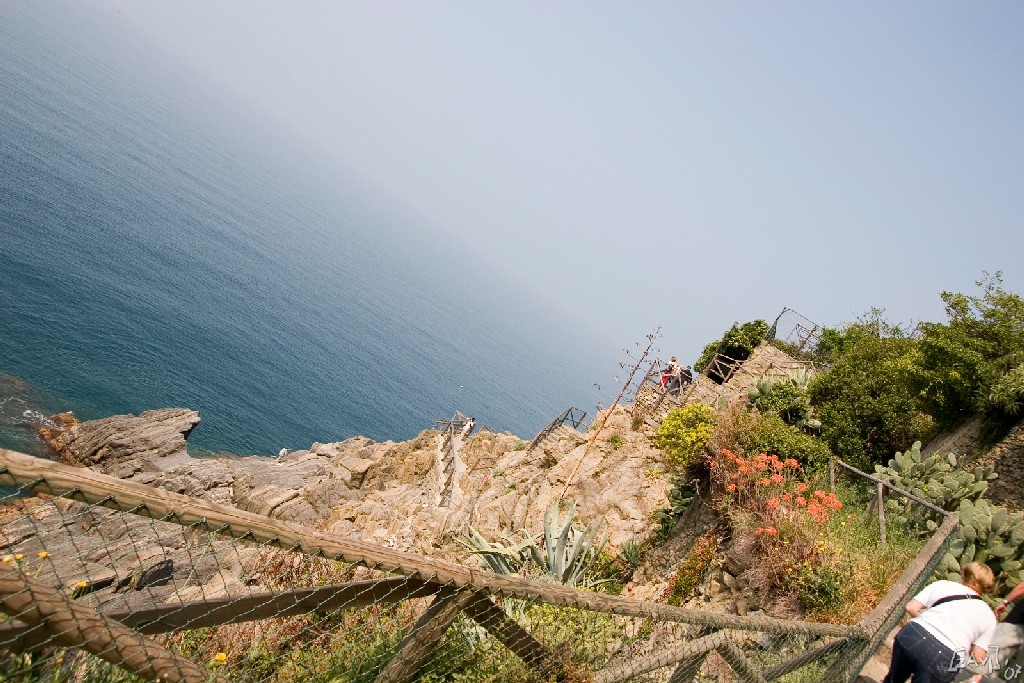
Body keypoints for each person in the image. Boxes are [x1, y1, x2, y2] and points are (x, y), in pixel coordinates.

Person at [883, 562, 997, 683]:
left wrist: (926, 621)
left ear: (963, 574)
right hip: (945, 656)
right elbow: (978, 656)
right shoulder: (989, 617)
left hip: (913, 634)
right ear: (987, 588)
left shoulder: (942, 584)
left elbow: (911, 607)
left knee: (893, 679)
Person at [969, 581, 1024, 682]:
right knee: (1018, 673)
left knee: (986, 658)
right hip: (1018, 621)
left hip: (1017, 622)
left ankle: (971, 676)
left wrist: (1005, 602)